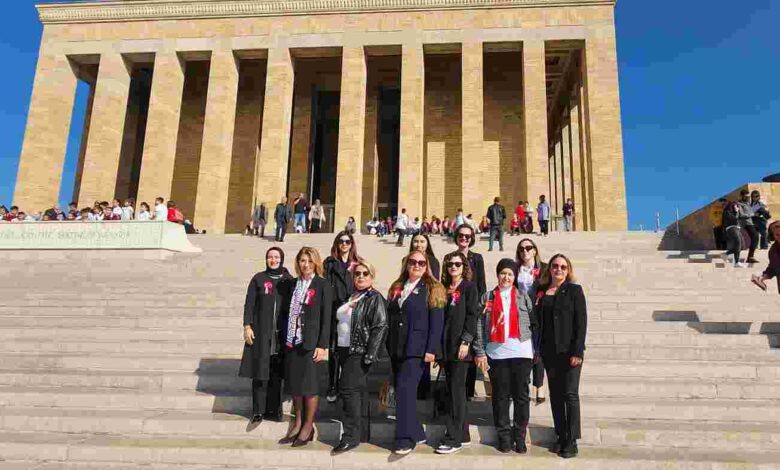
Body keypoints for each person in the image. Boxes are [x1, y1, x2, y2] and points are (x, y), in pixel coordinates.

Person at [473, 259, 537, 454]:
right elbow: (478, 324)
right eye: (503, 273)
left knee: (521, 397)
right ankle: (504, 437)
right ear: (498, 275)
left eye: (510, 274)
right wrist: (480, 351)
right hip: (496, 353)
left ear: (515, 276)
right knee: (500, 397)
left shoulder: (522, 295)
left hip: (521, 351)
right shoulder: (487, 297)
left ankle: (519, 436)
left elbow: (533, 322)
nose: (506, 277)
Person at [386, 250, 446, 455]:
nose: (417, 265)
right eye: (413, 262)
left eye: (421, 262)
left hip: (417, 348)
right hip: (397, 347)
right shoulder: (397, 286)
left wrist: (432, 350)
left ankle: (404, 438)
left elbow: (437, 323)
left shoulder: (433, 287)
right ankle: (417, 431)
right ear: (406, 264)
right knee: (404, 391)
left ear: (426, 265)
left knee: (405, 390)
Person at [332, 259, 388, 454]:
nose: (361, 277)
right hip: (345, 351)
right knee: (356, 393)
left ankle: (350, 437)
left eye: (365, 273)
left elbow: (380, 326)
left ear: (371, 277)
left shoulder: (374, 298)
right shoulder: (353, 296)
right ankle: (360, 433)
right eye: (357, 274)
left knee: (348, 392)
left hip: (360, 352)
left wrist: (370, 355)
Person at [278, 247, 332, 447]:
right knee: (296, 386)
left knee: (309, 387)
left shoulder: (322, 285)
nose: (305, 264)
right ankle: (298, 422)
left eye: (309, 261)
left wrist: (322, 345)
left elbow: (326, 317)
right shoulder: (293, 284)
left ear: (316, 262)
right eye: (302, 260)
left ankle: (308, 426)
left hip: (310, 343)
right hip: (293, 341)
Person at [536, 254, 587, 459]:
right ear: (550, 269)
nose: (558, 270)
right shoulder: (542, 292)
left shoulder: (574, 290)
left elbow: (581, 323)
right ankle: (561, 434)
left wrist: (577, 351)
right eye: (555, 266)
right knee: (556, 396)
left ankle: (572, 439)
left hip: (569, 352)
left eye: (563, 267)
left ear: (568, 270)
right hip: (549, 352)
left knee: (570, 394)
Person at [240, 247, 293, 424]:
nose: (273, 260)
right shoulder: (259, 279)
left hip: (280, 336)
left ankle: (274, 410)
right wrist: (247, 326)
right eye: (270, 257)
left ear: (282, 259)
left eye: (276, 257)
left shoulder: (288, 280)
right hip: (262, 334)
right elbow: (249, 304)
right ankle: (258, 411)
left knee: (276, 375)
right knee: (260, 374)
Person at [435, 251, 479, 454]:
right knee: (453, 391)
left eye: (457, 264)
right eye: (450, 264)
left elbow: (472, 316)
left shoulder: (469, 287)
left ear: (464, 267)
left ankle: (453, 438)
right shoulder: (443, 288)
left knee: (456, 393)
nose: (453, 267)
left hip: (460, 348)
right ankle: (463, 434)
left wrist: (466, 342)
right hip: (446, 348)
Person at [453, 223, 486, 409]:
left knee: (472, 347)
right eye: (461, 235)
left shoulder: (477, 258)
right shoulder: (451, 258)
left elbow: (481, 283)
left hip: (472, 306)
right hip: (456, 306)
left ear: (471, 238)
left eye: (467, 236)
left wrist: (481, 306)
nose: (464, 238)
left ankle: (469, 387)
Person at [324, 232, 360, 403]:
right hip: (334, 311)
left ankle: (347, 384)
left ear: (352, 244)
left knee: (348, 350)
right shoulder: (330, 263)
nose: (344, 244)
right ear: (337, 244)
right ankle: (332, 385)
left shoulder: (358, 263)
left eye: (348, 241)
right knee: (334, 351)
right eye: (341, 241)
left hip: (351, 312)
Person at [516, 238, 547, 404]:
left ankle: (539, 386)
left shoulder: (544, 268)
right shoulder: (515, 269)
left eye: (528, 248)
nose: (525, 251)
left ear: (535, 250)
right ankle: (525, 383)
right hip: (521, 314)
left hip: (539, 312)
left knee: (538, 349)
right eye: (521, 249)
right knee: (525, 348)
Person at [751, 221, 780, 293]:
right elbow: (773, 267)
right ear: (772, 235)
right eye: (777, 234)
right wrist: (763, 277)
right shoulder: (773, 250)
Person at [736, 190, 759, 264]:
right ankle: (750, 257)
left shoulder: (748, 203)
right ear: (742, 196)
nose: (748, 198)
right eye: (746, 196)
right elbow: (741, 215)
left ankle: (750, 256)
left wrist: (757, 207)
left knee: (755, 237)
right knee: (755, 236)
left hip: (750, 223)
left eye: (748, 197)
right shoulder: (739, 204)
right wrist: (752, 214)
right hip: (746, 224)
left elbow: (751, 210)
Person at [722, 200, 745, 267]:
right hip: (731, 228)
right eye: (735, 206)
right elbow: (734, 219)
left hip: (736, 228)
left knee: (741, 246)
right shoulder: (727, 212)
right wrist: (736, 212)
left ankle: (726, 254)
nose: (736, 207)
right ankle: (736, 262)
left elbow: (740, 217)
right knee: (738, 243)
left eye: (737, 206)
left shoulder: (733, 212)